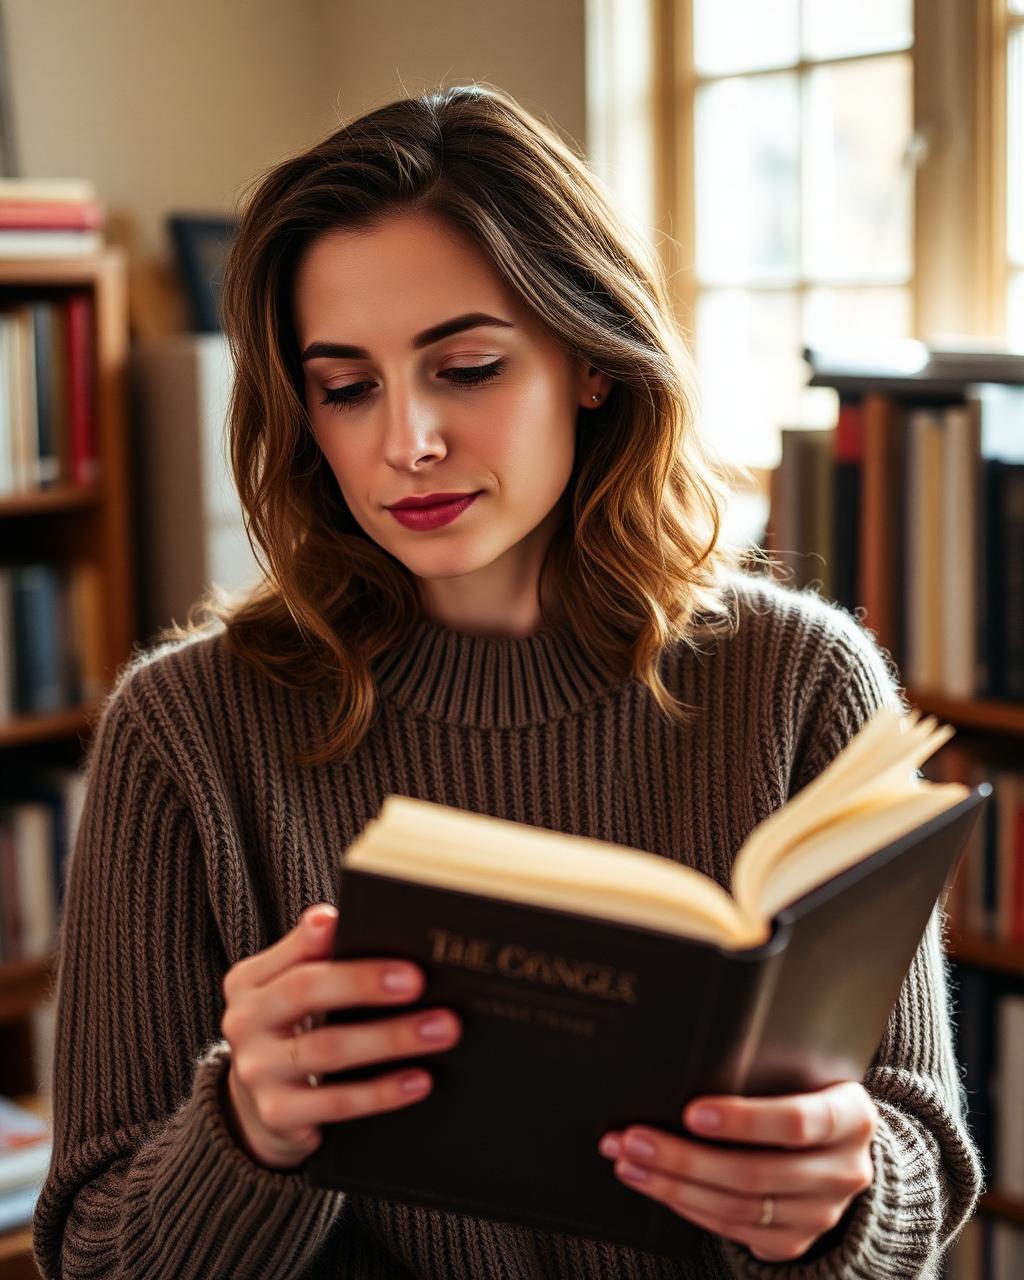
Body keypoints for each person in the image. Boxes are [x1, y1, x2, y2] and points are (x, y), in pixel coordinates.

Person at [32, 83, 981, 1279]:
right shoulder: (185, 732)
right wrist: (250, 1132)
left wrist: (837, 1199)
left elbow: (912, 1166)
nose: (405, 441)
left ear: (589, 360)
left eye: (466, 367)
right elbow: (92, 1251)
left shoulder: (799, 681)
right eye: (346, 385)